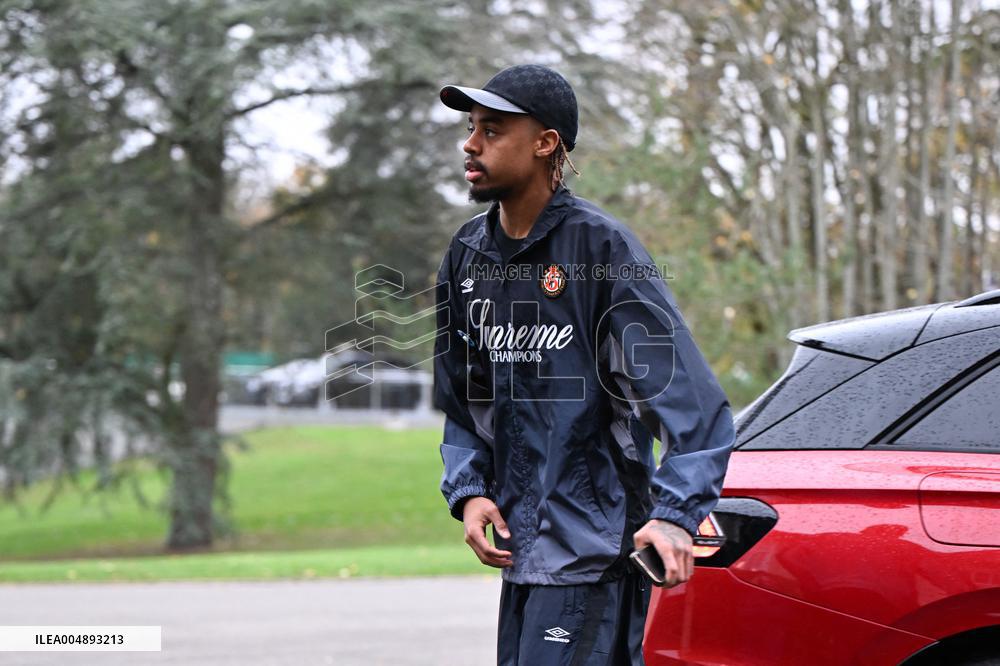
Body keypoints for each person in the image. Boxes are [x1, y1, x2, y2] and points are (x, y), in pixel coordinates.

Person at [432, 64, 735, 666]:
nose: (471, 144)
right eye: (471, 128)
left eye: (492, 130)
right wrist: (468, 490)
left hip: (593, 556)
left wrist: (676, 515)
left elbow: (693, 407)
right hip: (521, 558)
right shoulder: (468, 255)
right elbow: (464, 398)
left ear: (546, 143)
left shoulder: (602, 250)